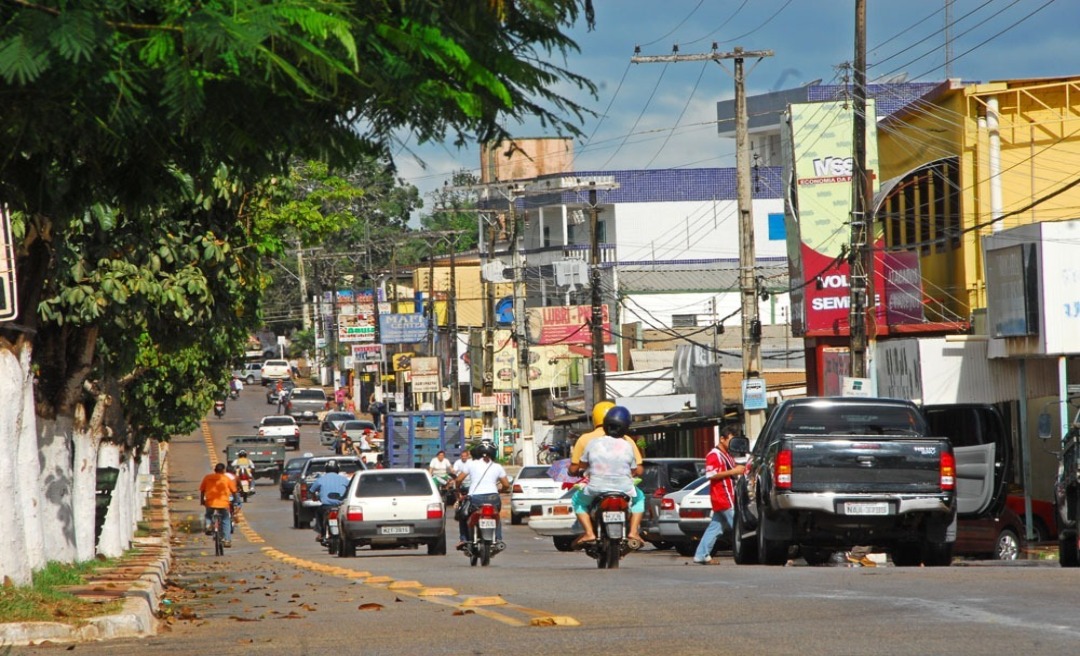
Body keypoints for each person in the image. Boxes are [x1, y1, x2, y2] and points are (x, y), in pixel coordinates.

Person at [570, 400, 646, 546]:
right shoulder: (628, 444)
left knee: (577, 501)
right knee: (640, 499)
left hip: (596, 488)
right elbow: (635, 469)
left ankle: (589, 533)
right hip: (624, 489)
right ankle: (633, 532)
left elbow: (582, 464)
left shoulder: (591, 442)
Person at [693, 425, 747, 565]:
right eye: (730, 440)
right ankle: (749, 552)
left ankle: (701, 554)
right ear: (722, 439)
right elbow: (711, 475)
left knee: (715, 527)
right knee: (738, 526)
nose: (732, 443)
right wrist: (734, 471)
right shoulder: (714, 455)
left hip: (726, 496)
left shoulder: (727, 455)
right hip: (723, 497)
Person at [453, 444, 510, 551]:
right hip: (494, 498)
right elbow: (506, 485)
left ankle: (464, 539)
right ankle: (498, 539)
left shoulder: (471, 464)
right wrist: (500, 491)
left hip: (475, 498)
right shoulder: (498, 467)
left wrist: (458, 489)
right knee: (496, 515)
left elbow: (458, 480)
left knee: (463, 515)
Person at [308, 460, 350, 541]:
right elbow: (350, 490)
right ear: (338, 468)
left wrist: (314, 498)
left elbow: (311, 491)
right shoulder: (344, 479)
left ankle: (321, 532)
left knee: (318, 512)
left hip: (326, 507)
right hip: (340, 507)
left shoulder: (320, 479)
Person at [200, 463, 238, 548]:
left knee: (208, 515)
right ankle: (227, 540)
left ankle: (208, 526)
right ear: (224, 470)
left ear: (215, 470)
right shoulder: (226, 478)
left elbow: (202, 491)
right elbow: (234, 491)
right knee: (226, 519)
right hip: (223, 503)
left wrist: (202, 500)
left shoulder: (207, 477)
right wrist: (235, 500)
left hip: (210, 502)